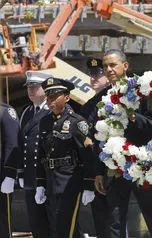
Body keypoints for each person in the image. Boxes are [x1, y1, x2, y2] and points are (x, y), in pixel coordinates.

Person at [94, 48, 152, 238]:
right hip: (114, 168)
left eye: (113, 65)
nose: (109, 69)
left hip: (142, 166)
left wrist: (132, 116)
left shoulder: (141, 92)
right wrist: (98, 171)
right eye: (105, 66)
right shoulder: (102, 98)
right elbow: (98, 136)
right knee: (115, 220)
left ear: (125, 65)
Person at [34, 77, 96, 238]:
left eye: (54, 96)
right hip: (51, 181)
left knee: (64, 227)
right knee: (66, 227)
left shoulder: (77, 123)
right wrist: (40, 183)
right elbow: (42, 153)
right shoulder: (45, 122)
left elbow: (88, 156)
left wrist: (89, 185)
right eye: (48, 97)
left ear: (66, 98)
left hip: (71, 182)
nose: (50, 100)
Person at [80, 57, 122, 238]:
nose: (94, 78)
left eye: (98, 74)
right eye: (92, 75)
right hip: (96, 168)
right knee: (101, 221)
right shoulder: (89, 105)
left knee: (116, 221)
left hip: (115, 166)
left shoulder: (116, 98)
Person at [17, 70, 54, 238]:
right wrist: (20, 171)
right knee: (36, 223)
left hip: (48, 177)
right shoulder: (26, 112)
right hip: (31, 178)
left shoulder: (53, 111)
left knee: (55, 222)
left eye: (35, 86)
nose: (31, 90)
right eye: (29, 87)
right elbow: (20, 143)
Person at [0, 102, 21, 238]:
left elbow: (12, 144)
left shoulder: (5, 111)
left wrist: (9, 174)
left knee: (1, 220)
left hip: (1, 175)